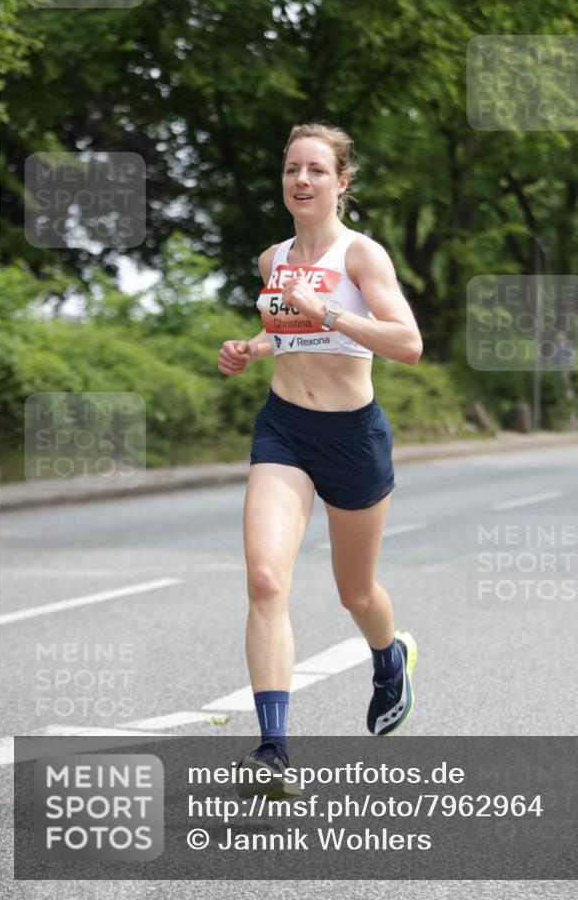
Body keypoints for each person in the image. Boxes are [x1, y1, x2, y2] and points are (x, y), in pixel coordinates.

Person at [217, 122, 422, 799]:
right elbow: (284, 332)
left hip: (352, 439)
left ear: (340, 182)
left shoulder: (360, 257)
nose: (300, 181)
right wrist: (251, 348)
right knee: (265, 578)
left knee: (354, 592)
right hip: (284, 431)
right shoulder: (272, 259)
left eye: (315, 170)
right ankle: (273, 748)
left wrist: (328, 311)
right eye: (290, 170)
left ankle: (388, 655)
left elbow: (406, 344)